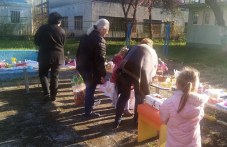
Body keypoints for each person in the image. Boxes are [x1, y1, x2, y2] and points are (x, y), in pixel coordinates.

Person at [114, 38, 158, 128]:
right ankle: (136, 121)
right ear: (151, 45)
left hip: (125, 70)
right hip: (140, 72)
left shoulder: (135, 47)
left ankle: (117, 120)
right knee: (139, 96)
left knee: (124, 95)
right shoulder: (152, 51)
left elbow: (125, 57)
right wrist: (151, 77)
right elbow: (153, 68)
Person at [160, 67, 208, 147]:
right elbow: (200, 116)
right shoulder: (199, 102)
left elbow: (163, 120)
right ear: (196, 87)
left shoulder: (168, 104)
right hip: (194, 144)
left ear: (177, 84)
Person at [76, 18, 110, 118]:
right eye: (107, 31)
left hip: (83, 67)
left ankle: (89, 104)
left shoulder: (85, 36)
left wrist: (78, 66)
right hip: (91, 70)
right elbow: (100, 60)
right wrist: (103, 74)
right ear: (103, 29)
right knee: (90, 90)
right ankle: (88, 112)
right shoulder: (99, 40)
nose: (107, 33)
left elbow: (78, 53)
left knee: (89, 88)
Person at [34, 12, 66, 102]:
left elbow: (36, 41)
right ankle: (53, 96)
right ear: (58, 21)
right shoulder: (62, 30)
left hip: (44, 55)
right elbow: (63, 44)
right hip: (58, 56)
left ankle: (46, 94)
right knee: (55, 76)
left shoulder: (42, 28)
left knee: (43, 74)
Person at [110, 46, 134, 116]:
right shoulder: (124, 61)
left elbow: (114, 71)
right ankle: (126, 109)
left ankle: (115, 105)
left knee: (116, 93)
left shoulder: (117, 59)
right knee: (126, 95)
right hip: (122, 80)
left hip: (115, 80)